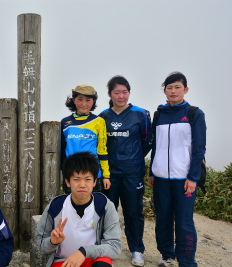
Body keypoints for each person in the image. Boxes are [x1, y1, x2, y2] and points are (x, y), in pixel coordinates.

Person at [149, 72, 206, 267]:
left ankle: (187, 261)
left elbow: (199, 149)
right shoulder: (159, 114)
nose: (173, 91)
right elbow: (156, 146)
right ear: (164, 91)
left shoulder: (194, 114)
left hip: (184, 179)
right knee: (163, 219)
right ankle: (167, 255)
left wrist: (193, 178)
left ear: (185, 90)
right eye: (169, 87)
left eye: (177, 87)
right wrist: (152, 172)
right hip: (161, 178)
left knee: (184, 222)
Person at [99, 76, 153, 266]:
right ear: (109, 94)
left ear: (129, 93)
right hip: (110, 174)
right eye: (116, 92)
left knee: (133, 212)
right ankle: (106, 249)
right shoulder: (103, 116)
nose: (121, 96)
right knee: (107, 212)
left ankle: (137, 249)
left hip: (133, 172)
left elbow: (147, 141)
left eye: (124, 92)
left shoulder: (141, 114)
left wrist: (134, 157)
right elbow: (100, 144)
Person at [36, 152, 122, 267]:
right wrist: (52, 242)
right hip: (63, 262)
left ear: (95, 182)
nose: (82, 185)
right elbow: (41, 244)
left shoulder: (105, 205)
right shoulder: (56, 206)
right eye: (76, 179)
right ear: (67, 182)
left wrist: (85, 251)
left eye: (87, 179)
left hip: (92, 260)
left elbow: (115, 247)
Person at [60, 85, 110, 193]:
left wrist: (106, 176)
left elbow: (102, 150)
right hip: (72, 173)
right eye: (80, 99)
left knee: (95, 207)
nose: (83, 104)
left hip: (93, 173)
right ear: (74, 100)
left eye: (88, 100)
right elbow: (62, 150)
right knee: (72, 207)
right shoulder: (65, 122)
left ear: (94, 101)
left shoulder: (99, 121)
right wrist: (63, 173)